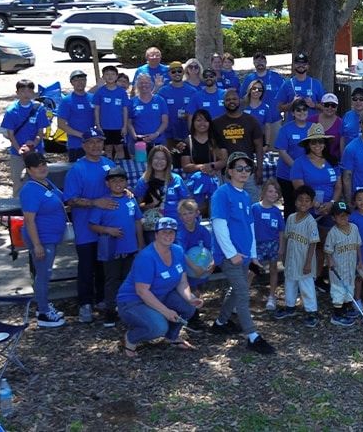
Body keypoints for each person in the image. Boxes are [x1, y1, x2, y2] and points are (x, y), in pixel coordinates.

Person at [209, 152, 276, 354]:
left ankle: (220, 323)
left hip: (245, 254)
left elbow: (250, 227)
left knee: (236, 290)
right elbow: (219, 225)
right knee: (242, 292)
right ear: (229, 171)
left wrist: (253, 254)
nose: (244, 172)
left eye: (247, 168)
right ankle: (253, 336)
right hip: (232, 256)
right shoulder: (222, 194)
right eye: (239, 168)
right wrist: (231, 254)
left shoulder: (246, 195)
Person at [116, 217, 202, 359]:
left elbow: (182, 281)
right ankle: (129, 339)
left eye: (171, 232)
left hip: (161, 295)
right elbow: (142, 291)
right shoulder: (147, 257)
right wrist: (166, 311)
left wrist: (190, 297)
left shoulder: (178, 251)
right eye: (164, 232)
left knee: (188, 306)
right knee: (159, 327)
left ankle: (172, 337)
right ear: (156, 234)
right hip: (133, 301)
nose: (168, 235)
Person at [64, 127, 118, 323]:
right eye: (91, 142)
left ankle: (103, 300)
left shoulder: (109, 165)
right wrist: (95, 202)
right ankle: (85, 304)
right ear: (84, 145)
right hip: (85, 228)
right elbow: (70, 199)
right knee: (86, 267)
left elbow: (118, 189)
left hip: (107, 227)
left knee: (105, 266)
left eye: (99, 141)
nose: (96, 146)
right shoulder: (77, 169)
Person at [88, 166, 144, 328]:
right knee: (112, 280)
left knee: (129, 280)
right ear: (107, 183)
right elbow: (92, 225)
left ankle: (128, 310)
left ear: (126, 182)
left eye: (121, 180)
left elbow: (137, 221)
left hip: (131, 248)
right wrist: (108, 230)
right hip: (111, 249)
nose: (118, 184)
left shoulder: (130, 199)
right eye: (113, 181)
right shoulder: (104, 202)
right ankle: (110, 312)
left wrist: (140, 244)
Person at [290, 123, 342, 294]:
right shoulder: (299, 163)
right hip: (307, 212)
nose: (317, 145)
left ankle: (317, 278)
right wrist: (317, 205)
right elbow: (300, 189)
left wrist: (331, 204)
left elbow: (339, 187)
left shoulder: (332, 162)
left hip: (328, 211)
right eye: (313, 143)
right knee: (303, 247)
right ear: (308, 145)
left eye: (320, 142)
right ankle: (300, 278)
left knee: (322, 245)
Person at [20, 152, 66, 328]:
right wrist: (37, 244)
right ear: (29, 170)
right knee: (43, 274)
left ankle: (44, 307)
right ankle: (44, 312)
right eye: (37, 166)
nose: (42, 168)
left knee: (46, 272)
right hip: (42, 238)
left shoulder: (46, 182)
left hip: (52, 236)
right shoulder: (30, 190)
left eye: (43, 164)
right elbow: (30, 220)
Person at [274, 185, 320, 328]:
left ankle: (312, 312)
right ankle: (290, 306)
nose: (303, 203)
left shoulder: (311, 221)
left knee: (306, 286)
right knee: (290, 282)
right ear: (295, 202)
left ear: (312, 203)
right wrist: (285, 255)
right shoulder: (291, 218)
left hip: (304, 260)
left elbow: (313, 244)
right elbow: (287, 238)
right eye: (300, 200)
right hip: (292, 259)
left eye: (307, 201)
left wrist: (308, 263)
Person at [212, 88, 265, 203]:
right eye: (228, 99)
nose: (231, 101)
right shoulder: (216, 123)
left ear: (239, 101)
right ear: (223, 102)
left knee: (253, 204)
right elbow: (213, 147)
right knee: (232, 204)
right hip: (228, 171)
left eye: (234, 99)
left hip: (248, 171)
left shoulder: (251, 120)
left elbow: (259, 146)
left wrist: (259, 169)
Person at [1, 79, 49, 196]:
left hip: (36, 152)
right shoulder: (11, 111)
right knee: (18, 181)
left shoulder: (39, 109)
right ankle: (18, 209)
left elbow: (41, 132)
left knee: (39, 180)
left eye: (29, 91)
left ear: (33, 93)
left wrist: (33, 143)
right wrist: (20, 150)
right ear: (17, 93)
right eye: (22, 91)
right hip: (17, 153)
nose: (26, 94)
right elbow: (10, 135)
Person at [135, 145, 190, 243]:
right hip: (154, 226)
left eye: (163, 159)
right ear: (150, 160)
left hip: (176, 225)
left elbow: (185, 203)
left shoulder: (176, 179)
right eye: (156, 158)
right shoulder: (143, 181)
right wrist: (152, 204)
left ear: (168, 162)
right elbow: (138, 207)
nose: (159, 161)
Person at [179, 109, 227, 218]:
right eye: (199, 120)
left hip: (214, 179)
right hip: (196, 183)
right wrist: (202, 167)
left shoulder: (216, 139)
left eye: (205, 121)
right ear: (193, 123)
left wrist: (212, 166)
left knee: (215, 205)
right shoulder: (187, 141)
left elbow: (224, 160)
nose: (202, 124)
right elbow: (185, 166)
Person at [175, 198, 213, 332]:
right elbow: (182, 252)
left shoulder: (203, 230)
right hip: (188, 269)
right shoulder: (180, 232)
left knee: (198, 292)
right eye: (184, 214)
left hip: (201, 267)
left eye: (190, 213)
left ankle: (195, 316)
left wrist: (212, 263)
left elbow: (210, 248)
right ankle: (192, 319)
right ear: (180, 217)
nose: (188, 217)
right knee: (192, 292)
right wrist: (193, 267)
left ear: (197, 213)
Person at [324, 201, 362, 326]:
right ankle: (337, 315)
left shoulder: (354, 228)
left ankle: (345, 309)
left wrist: (360, 260)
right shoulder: (333, 233)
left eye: (345, 215)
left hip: (350, 267)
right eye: (340, 215)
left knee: (349, 288)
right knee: (338, 290)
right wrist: (330, 262)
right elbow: (328, 250)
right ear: (333, 218)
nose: (343, 218)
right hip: (338, 268)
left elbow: (357, 245)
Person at [275, 98, 313, 217]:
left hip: (308, 174)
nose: (302, 112)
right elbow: (282, 151)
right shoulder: (285, 129)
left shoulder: (314, 128)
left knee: (307, 204)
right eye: (298, 110)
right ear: (292, 112)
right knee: (290, 206)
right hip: (287, 175)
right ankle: (289, 233)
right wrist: (297, 168)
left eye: (304, 109)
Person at [251, 179, 285, 311]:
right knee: (251, 271)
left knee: (273, 269)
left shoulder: (276, 211)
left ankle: (271, 296)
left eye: (276, 192)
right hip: (257, 245)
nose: (273, 194)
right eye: (270, 191)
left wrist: (281, 247)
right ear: (264, 192)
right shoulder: (255, 208)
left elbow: (281, 231)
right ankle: (241, 297)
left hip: (273, 244)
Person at [239, 52, 285, 148]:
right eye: (257, 61)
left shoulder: (276, 77)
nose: (259, 63)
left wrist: (286, 116)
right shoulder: (249, 78)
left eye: (262, 60)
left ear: (266, 62)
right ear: (254, 63)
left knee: (274, 151)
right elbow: (241, 98)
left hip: (274, 120)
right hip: (253, 122)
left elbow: (285, 96)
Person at [57, 70, 95, 162]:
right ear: (72, 82)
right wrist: (81, 135)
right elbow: (61, 124)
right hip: (76, 145)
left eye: (82, 80)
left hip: (93, 143)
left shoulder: (92, 97)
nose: (80, 83)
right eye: (76, 80)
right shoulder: (67, 101)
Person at [157, 61, 197, 150]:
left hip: (186, 132)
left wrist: (189, 115)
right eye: (173, 72)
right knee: (169, 158)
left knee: (186, 158)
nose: (177, 74)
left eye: (179, 71)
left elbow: (197, 111)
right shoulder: (163, 91)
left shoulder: (192, 91)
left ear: (183, 72)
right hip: (168, 132)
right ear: (169, 74)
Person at [92, 65, 129, 161]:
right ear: (103, 77)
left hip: (118, 127)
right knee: (108, 148)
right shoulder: (100, 92)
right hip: (105, 127)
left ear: (117, 77)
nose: (110, 76)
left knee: (119, 148)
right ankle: (109, 168)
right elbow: (97, 109)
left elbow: (125, 110)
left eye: (112, 74)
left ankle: (121, 167)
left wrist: (125, 126)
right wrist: (98, 125)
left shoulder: (122, 92)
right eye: (107, 74)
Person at [276, 53, 325, 121]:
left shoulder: (316, 84)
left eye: (304, 64)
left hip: (312, 126)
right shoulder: (287, 84)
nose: (301, 66)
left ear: (308, 66)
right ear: (294, 66)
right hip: (293, 126)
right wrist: (292, 104)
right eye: (298, 64)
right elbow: (279, 108)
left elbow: (326, 107)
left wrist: (314, 105)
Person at [128, 73, 169, 154]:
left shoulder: (160, 100)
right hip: (139, 143)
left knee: (158, 163)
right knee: (139, 165)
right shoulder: (132, 102)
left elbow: (165, 122)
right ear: (137, 85)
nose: (144, 85)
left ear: (151, 84)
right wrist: (135, 136)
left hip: (157, 141)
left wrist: (156, 134)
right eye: (141, 83)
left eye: (146, 82)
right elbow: (128, 123)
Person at [308, 93, 343, 160]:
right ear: (321, 105)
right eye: (327, 105)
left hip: (334, 162)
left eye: (333, 105)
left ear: (337, 107)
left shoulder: (341, 123)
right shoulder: (310, 120)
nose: (330, 108)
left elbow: (342, 146)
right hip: (313, 161)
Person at [241, 80, 272, 144]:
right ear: (250, 90)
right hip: (243, 139)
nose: (256, 91)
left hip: (259, 139)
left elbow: (267, 127)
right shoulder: (242, 106)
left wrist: (267, 144)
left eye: (260, 89)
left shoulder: (266, 107)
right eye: (254, 88)